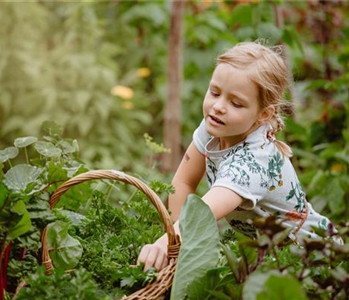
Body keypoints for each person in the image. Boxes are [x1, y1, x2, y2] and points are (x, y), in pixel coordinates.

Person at [137, 41, 336, 272]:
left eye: (236, 103)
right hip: (271, 258)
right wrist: (174, 241)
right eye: (214, 92)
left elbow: (203, 214)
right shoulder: (216, 125)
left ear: (263, 114)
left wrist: (165, 245)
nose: (218, 107)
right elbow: (183, 182)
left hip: (314, 260)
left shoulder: (253, 164)